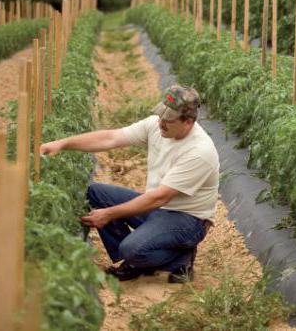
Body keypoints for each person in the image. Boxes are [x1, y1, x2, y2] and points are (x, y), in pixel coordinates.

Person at [40, 84, 219, 283]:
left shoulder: (199, 151)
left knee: (131, 248)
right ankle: (136, 262)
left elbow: (159, 197)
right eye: (161, 115)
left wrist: (108, 214)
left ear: (188, 122)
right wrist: (62, 143)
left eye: (168, 119)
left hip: (187, 220)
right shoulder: (156, 127)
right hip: (158, 209)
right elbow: (111, 138)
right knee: (96, 193)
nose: (161, 123)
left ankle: (179, 258)